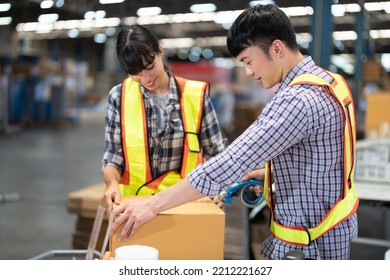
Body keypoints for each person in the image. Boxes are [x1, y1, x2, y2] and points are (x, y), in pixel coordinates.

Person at [108, 5, 359, 260]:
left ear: (277, 49)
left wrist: (152, 206)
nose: (248, 72)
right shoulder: (330, 81)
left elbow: (231, 161)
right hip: (331, 235)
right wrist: (270, 174)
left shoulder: (297, 101)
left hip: (309, 249)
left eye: (248, 61)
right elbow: (323, 161)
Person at [101, 25, 225, 216]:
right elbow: (113, 157)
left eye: (149, 67)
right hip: (133, 209)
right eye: (134, 73)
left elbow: (216, 153)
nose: (145, 78)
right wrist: (111, 184)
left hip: (186, 208)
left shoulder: (195, 95)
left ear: (160, 50)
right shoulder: (119, 96)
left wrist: (220, 188)